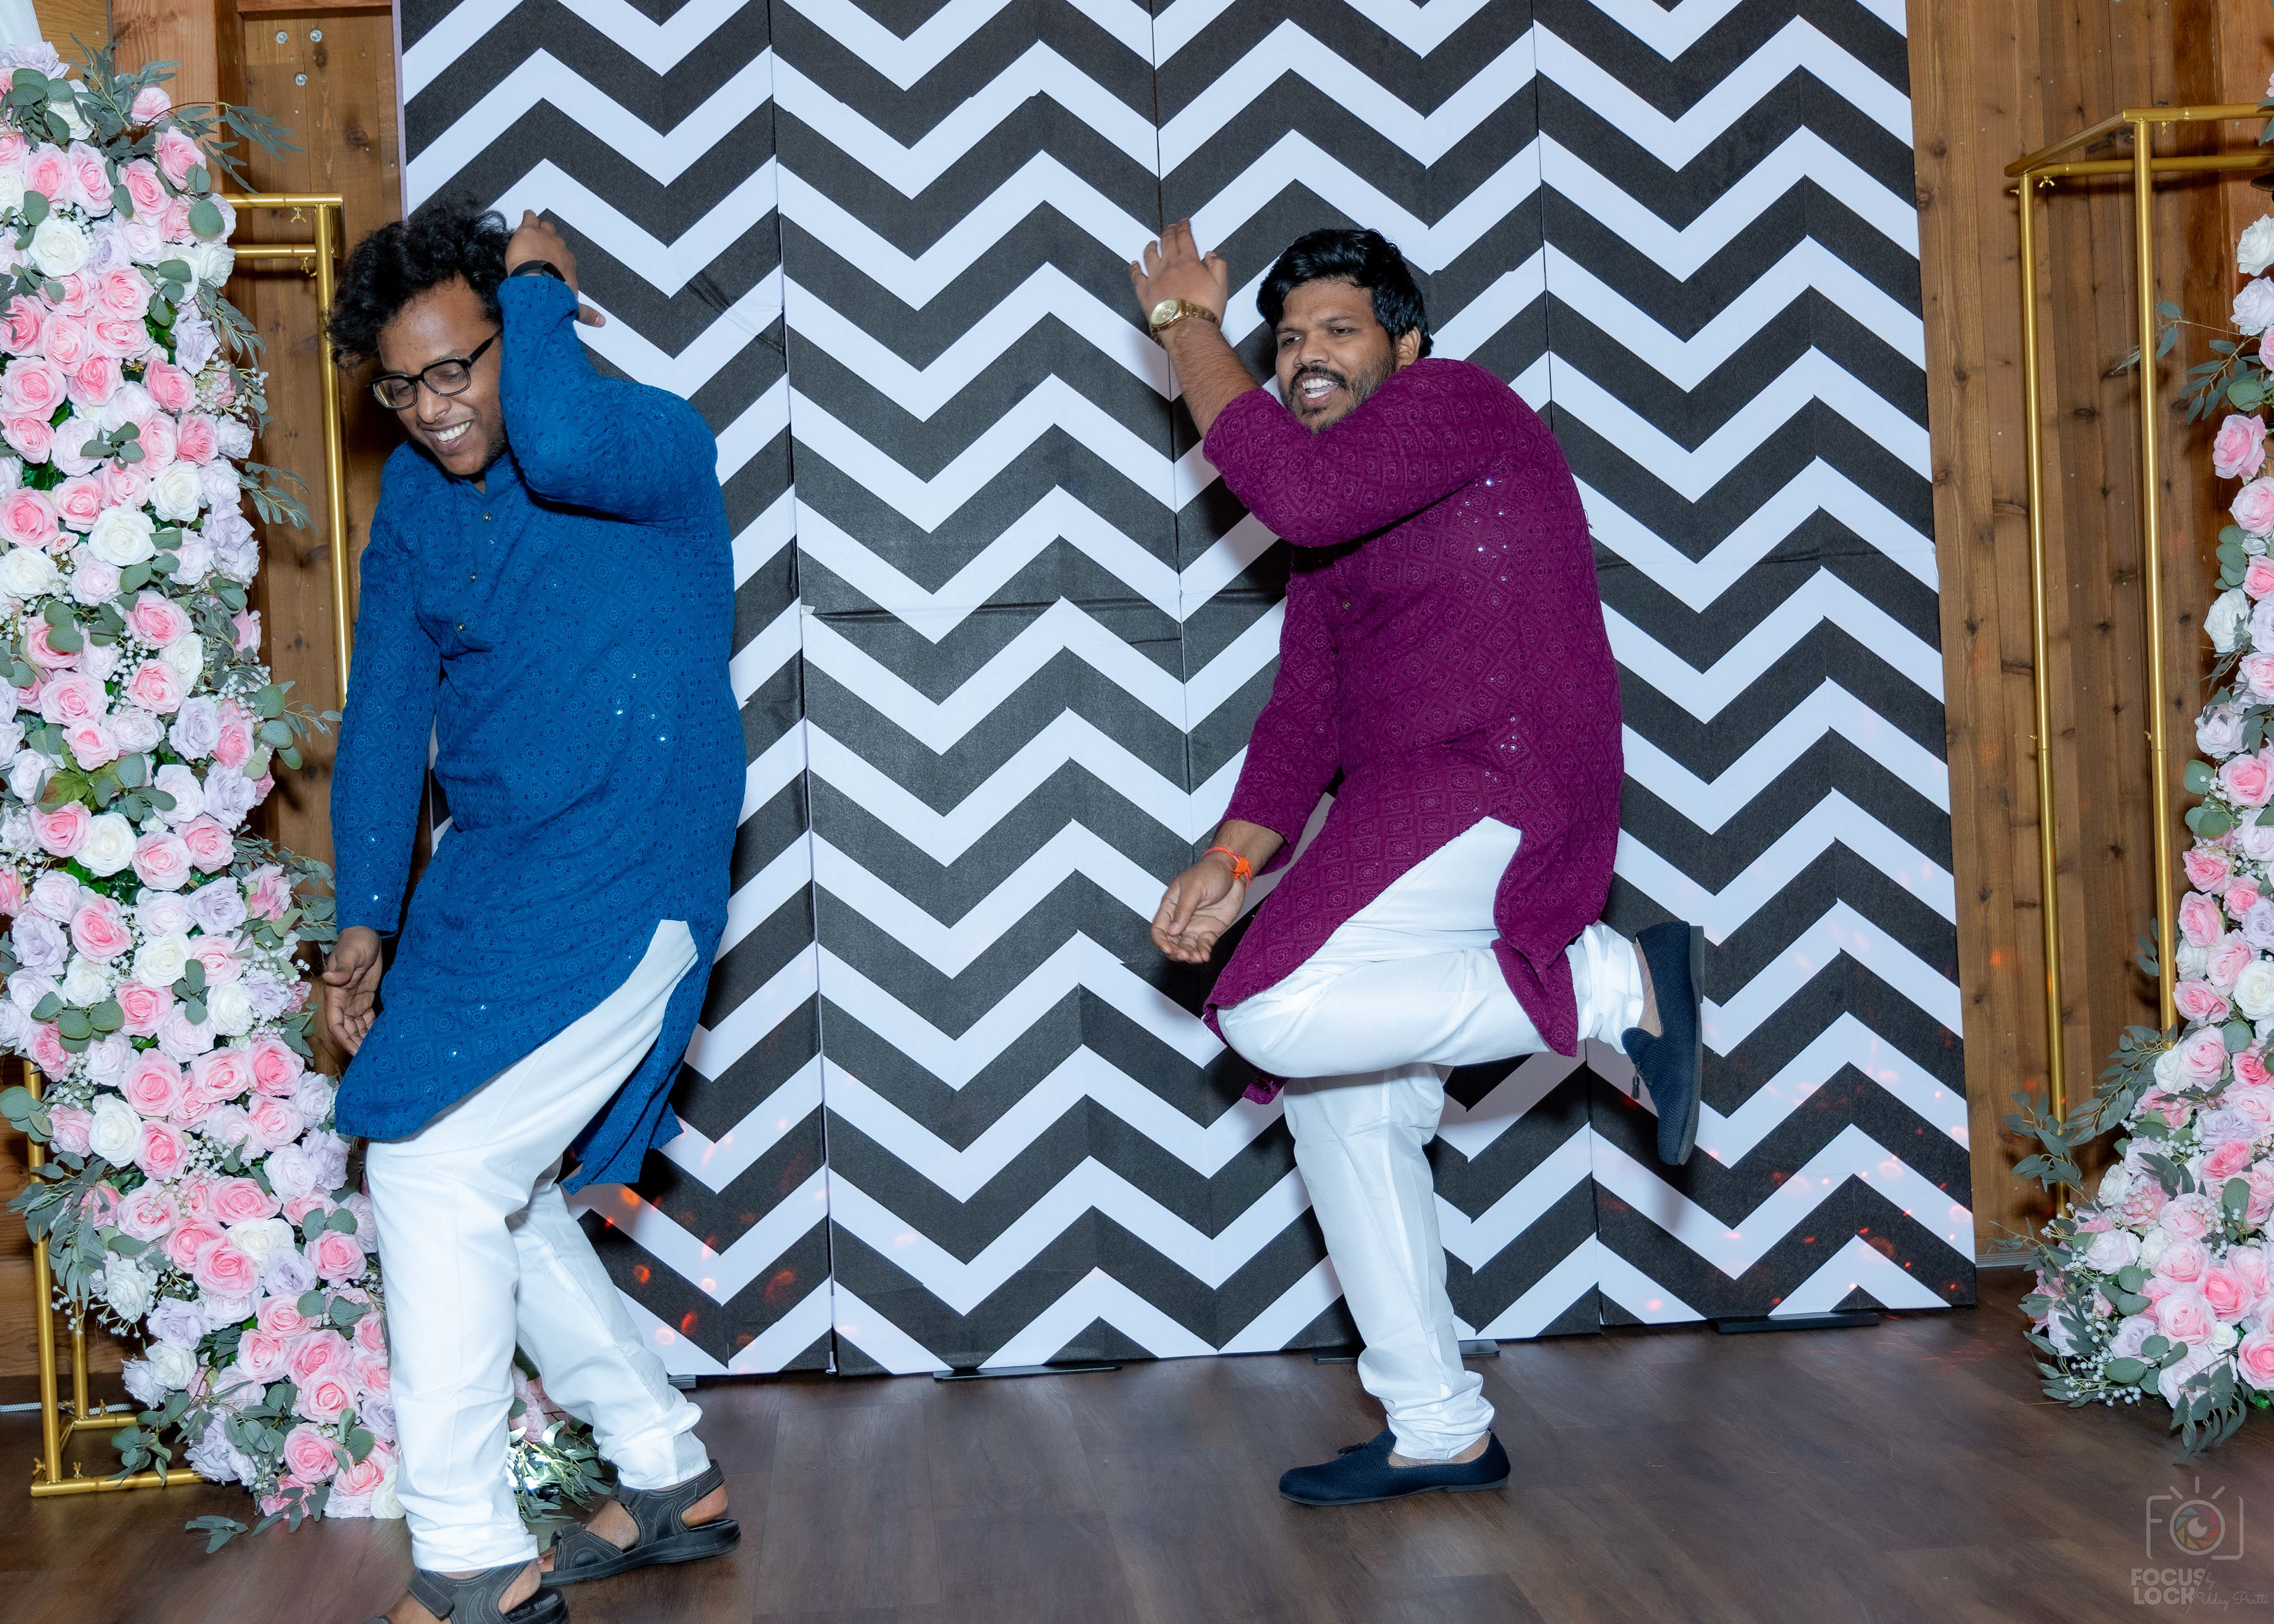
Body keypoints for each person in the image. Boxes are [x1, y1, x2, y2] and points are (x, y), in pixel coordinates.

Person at [1130, 223, 1705, 1507]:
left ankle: (1616, 984)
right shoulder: (1337, 525)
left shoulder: (1458, 405)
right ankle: (1437, 1423)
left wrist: (1186, 327)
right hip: (1410, 797)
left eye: (1338, 330)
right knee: (1341, 1106)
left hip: (1501, 770)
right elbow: (1306, 715)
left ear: (1408, 342)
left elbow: (1296, 492)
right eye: (1287, 339)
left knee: (1270, 1009)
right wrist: (1232, 859)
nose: (1305, 356)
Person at [324, 198, 744, 1624]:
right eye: (402, 386)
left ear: (524, 332)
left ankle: (470, 1553)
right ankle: (667, 1466)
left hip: (631, 863)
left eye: (462, 365)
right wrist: (366, 916)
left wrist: (545, 283)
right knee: (478, 1176)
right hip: (492, 879)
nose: (435, 408)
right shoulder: (416, 502)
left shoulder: (650, 443)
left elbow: (555, 441)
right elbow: (389, 707)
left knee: (435, 1174)